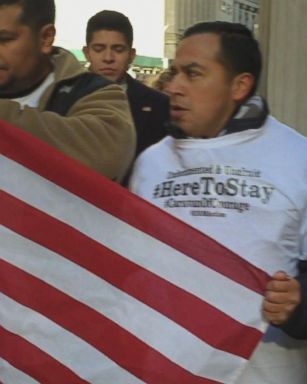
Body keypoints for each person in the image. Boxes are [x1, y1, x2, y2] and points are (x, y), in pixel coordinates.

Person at [129, 21, 307, 383]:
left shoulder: (298, 157)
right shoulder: (150, 162)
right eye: (175, 72)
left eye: (193, 74)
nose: (174, 87)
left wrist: (298, 306)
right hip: (167, 369)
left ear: (240, 86)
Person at [0, 0, 136, 183]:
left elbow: (106, 154)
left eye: (4, 39)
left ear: (46, 38)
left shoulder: (94, 92)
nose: (108, 58)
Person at [83, 10, 170, 160]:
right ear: (87, 53)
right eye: (99, 49)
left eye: (118, 49)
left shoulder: (159, 105)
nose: (108, 58)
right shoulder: (61, 98)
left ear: (131, 55)